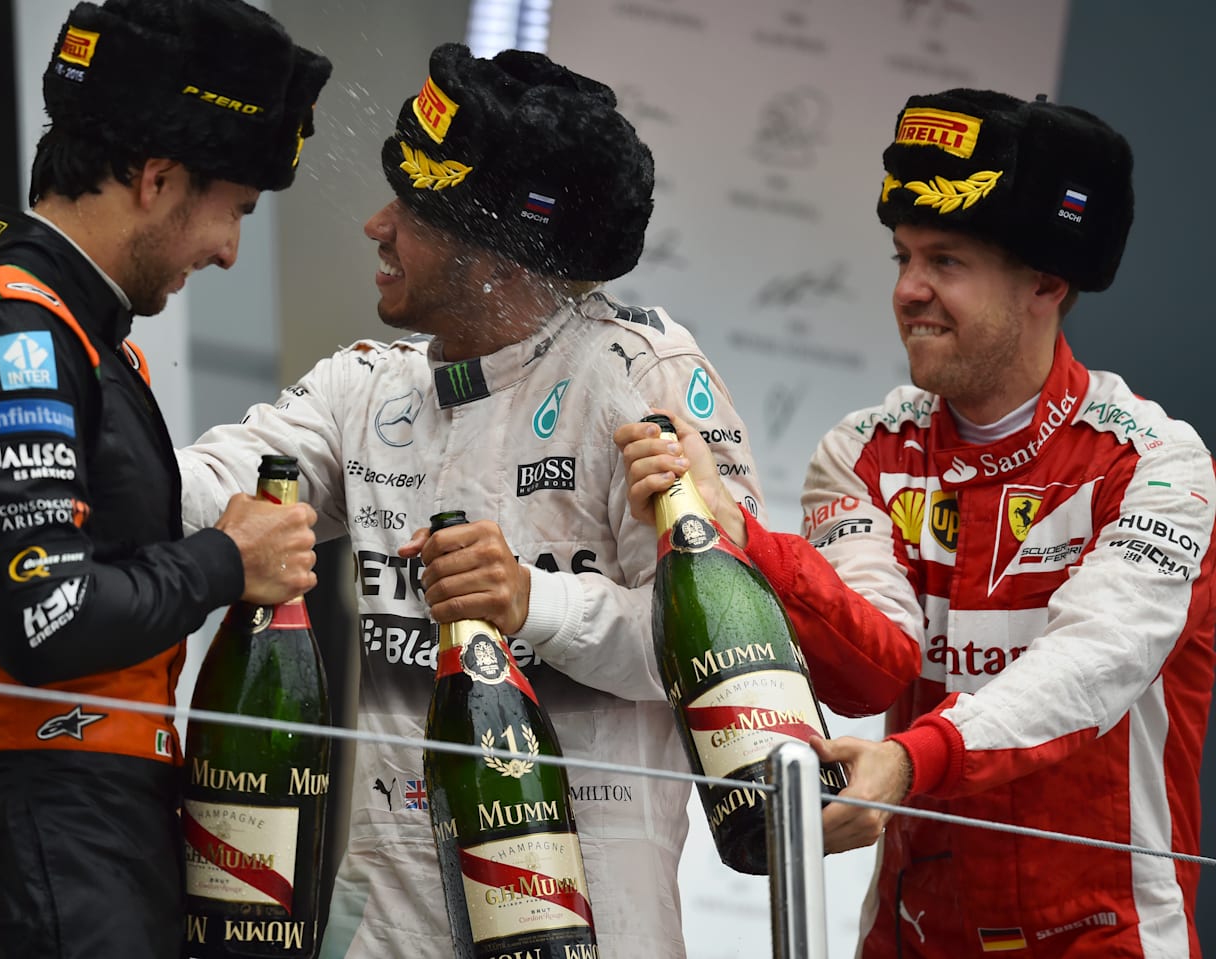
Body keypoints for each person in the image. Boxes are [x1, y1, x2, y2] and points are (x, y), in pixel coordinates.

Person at [179, 43, 766, 958]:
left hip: (591, 912)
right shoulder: (365, 387)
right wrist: (81, 416)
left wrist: (536, 602)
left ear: (500, 248)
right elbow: (209, 487)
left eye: (414, 209)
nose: (378, 224)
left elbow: (730, 661)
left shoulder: (638, 373)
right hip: (388, 912)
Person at [617, 88, 1216, 956]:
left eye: (946, 260)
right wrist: (737, 533)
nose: (908, 290)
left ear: (1048, 281)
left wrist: (909, 760)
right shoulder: (860, 452)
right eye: (901, 256)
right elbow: (872, 668)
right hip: (910, 937)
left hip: (1106, 939)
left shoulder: (1158, 464)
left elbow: (1091, 671)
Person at [0, 2, 330, 956]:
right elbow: (48, 616)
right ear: (158, 177)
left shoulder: (80, 342)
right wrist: (225, 559)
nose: (228, 251)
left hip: (87, 830)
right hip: (42, 829)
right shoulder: (15, 336)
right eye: (235, 213)